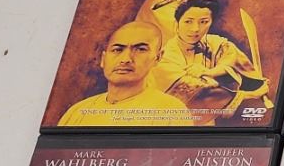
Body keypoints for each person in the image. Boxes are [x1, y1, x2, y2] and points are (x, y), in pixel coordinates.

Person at [57, 21, 193, 126]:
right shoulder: (77, 112)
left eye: (140, 49)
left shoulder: (170, 111)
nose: (125, 59)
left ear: (157, 58)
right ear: (103, 59)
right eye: (117, 50)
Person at [151, 0, 267, 115]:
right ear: (177, 23)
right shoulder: (164, 57)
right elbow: (200, 95)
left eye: (203, 22)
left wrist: (210, 72)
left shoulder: (213, 43)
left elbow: (231, 57)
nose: (195, 29)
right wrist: (251, 95)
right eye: (188, 21)